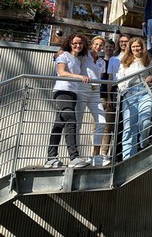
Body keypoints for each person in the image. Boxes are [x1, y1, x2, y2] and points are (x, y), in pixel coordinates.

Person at [45, 33, 91, 169]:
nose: (77, 45)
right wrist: (80, 76)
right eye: (74, 43)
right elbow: (62, 72)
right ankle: (74, 157)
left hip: (73, 93)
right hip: (62, 91)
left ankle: (51, 158)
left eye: (80, 43)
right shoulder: (63, 55)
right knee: (71, 121)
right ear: (69, 43)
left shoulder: (78, 59)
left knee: (58, 124)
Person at [116, 38, 152, 160]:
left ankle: (143, 140)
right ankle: (128, 158)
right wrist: (124, 90)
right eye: (133, 47)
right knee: (129, 127)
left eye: (137, 47)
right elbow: (120, 78)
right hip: (130, 94)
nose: (135, 49)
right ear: (130, 48)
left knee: (145, 120)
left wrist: (151, 79)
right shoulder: (125, 62)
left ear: (142, 47)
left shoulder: (148, 61)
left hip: (145, 92)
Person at [76, 35, 107, 167]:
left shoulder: (102, 62)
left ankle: (95, 155)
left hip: (95, 92)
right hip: (82, 89)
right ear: (92, 45)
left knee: (102, 121)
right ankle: (75, 156)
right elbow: (69, 55)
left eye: (101, 45)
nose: (98, 47)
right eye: (96, 44)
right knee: (78, 123)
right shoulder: (84, 55)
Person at [99, 38, 115, 163]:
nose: (109, 49)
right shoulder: (99, 61)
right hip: (98, 96)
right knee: (96, 126)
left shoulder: (115, 62)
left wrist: (110, 97)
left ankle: (104, 153)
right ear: (104, 48)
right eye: (107, 46)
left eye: (111, 47)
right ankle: (94, 153)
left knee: (108, 127)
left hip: (109, 96)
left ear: (114, 49)